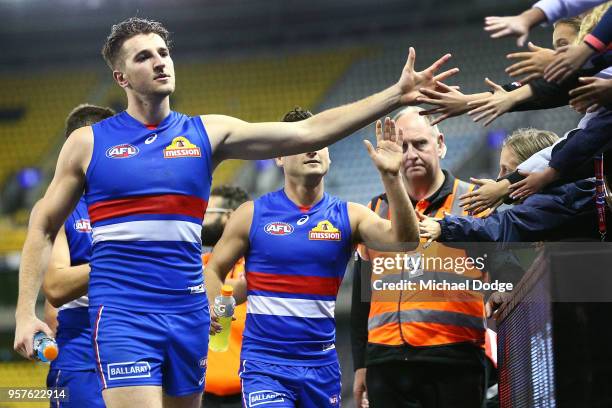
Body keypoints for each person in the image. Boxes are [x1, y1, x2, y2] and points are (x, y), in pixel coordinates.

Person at [14, 17, 455, 408]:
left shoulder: (207, 132)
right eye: (144, 57)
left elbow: (307, 130)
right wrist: (23, 312)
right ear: (121, 76)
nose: (160, 62)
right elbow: (43, 224)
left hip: (187, 313)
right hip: (124, 313)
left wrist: (396, 95)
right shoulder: (89, 143)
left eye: (164, 53)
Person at [204, 107, 419, 408]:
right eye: (301, 144)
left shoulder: (351, 216)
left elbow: (406, 241)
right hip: (265, 367)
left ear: (329, 156)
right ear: (279, 157)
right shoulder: (251, 215)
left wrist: (392, 177)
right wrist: (214, 307)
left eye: (321, 142)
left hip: (322, 368)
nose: (313, 149)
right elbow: (213, 268)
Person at [350, 107, 524, 408]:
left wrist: (502, 292)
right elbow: (360, 298)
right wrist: (360, 364)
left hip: (456, 359)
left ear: (440, 144)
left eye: (420, 143)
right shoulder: (373, 211)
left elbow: (509, 271)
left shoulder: (474, 202)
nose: (411, 154)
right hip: (386, 360)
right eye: (403, 146)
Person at [38, 104, 115, 408]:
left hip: (141, 344)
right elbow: (55, 287)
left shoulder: (142, 204)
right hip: (81, 355)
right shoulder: (63, 209)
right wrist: (117, 262)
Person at [202, 185, 250, 408]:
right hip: (202, 395)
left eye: (208, 212)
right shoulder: (201, 266)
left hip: (248, 394)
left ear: (230, 217)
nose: (200, 219)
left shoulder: (257, 266)